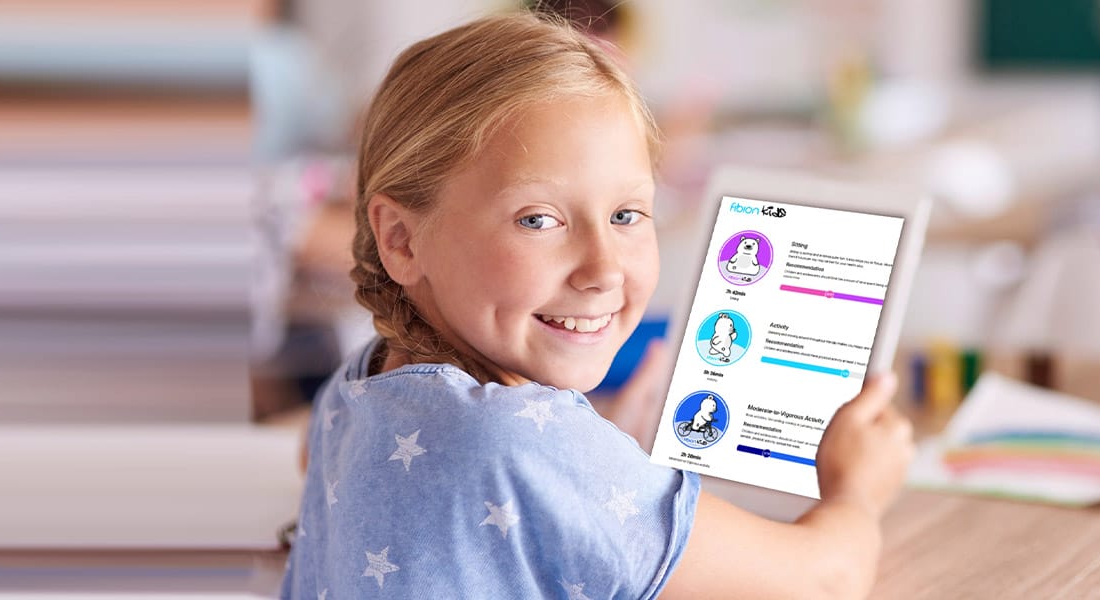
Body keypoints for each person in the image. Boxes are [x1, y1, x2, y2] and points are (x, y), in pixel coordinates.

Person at [282, 13, 913, 599]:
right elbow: (826, 579)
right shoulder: (519, 447)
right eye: (538, 219)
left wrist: (595, 448)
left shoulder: (361, 381)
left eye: (626, 214)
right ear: (400, 238)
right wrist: (857, 489)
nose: (605, 267)